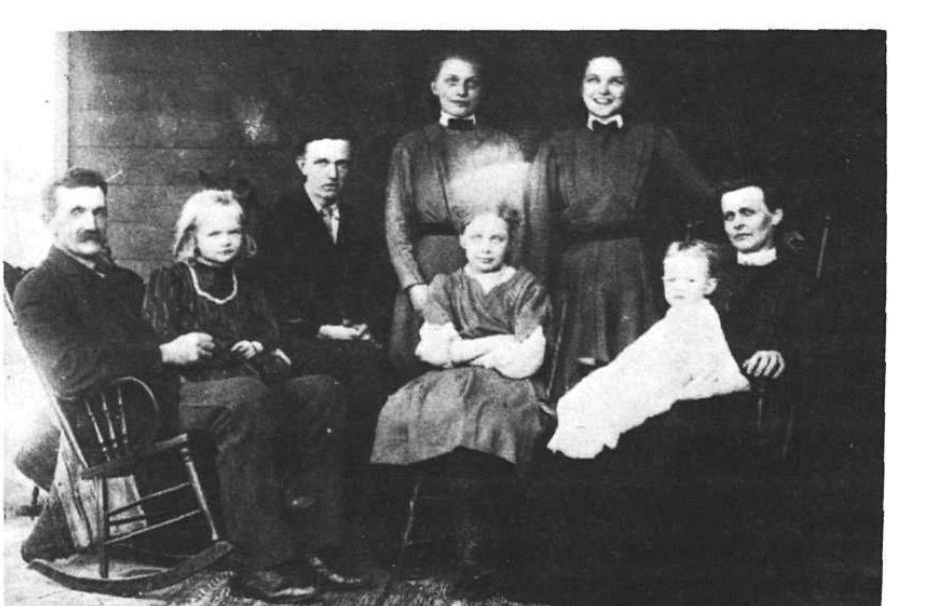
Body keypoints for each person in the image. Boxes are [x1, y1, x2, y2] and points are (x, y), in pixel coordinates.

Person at [13, 170, 357, 602]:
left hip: (172, 392)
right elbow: (66, 371)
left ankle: (317, 542)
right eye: (77, 211)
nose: (92, 222)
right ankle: (259, 561)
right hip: (126, 416)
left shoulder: (120, 281)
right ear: (50, 220)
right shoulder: (39, 289)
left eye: (99, 211)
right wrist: (164, 354)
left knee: (321, 392)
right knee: (240, 398)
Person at [371, 209, 550, 590]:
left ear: (509, 243)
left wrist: (463, 349)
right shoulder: (445, 285)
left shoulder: (526, 287)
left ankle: (477, 556)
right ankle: (428, 545)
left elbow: (526, 359)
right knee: (411, 414)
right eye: (478, 238)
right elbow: (434, 350)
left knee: (483, 423)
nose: (486, 248)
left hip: (506, 385)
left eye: (497, 239)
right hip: (448, 381)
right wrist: (494, 343)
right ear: (463, 241)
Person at [525, 52, 714, 400]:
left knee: (636, 379)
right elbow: (538, 225)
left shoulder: (651, 138)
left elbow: (703, 193)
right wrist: (536, 294)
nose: (604, 90)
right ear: (580, 86)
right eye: (593, 79)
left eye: (616, 81)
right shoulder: (557, 145)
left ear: (629, 88)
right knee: (576, 381)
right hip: (576, 274)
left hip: (633, 269)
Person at [257, 134, 396, 518]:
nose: (332, 173)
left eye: (341, 164)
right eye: (321, 163)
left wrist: (369, 323)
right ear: (302, 165)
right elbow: (273, 295)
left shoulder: (358, 219)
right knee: (363, 378)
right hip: (296, 338)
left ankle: (366, 512)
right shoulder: (278, 219)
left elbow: (376, 283)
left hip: (351, 337)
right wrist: (321, 328)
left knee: (380, 376)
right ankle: (334, 514)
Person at [385, 51, 525, 378]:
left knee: (484, 364)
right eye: (452, 81)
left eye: (470, 84)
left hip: (488, 267)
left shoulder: (504, 145)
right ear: (434, 87)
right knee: (422, 363)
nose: (461, 91)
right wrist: (414, 285)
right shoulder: (411, 147)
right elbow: (396, 224)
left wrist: (506, 282)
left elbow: (518, 221)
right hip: (431, 267)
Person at [547, 240, 748, 459]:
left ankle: (584, 449)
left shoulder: (703, 317)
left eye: (690, 280)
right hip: (648, 375)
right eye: (671, 280)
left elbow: (709, 362)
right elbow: (637, 355)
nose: (678, 287)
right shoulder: (674, 316)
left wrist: (688, 387)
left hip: (666, 382)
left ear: (709, 285)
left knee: (613, 409)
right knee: (582, 395)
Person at [715, 178, 808, 379]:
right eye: (729, 217)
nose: (737, 224)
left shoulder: (798, 281)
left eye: (747, 213)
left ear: (775, 215)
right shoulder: (710, 277)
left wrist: (780, 354)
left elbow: (808, 344)